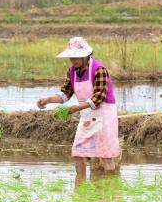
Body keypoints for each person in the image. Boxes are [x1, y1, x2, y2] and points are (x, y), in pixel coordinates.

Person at [36, 36, 120, 181]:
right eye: (71, 57)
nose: (73, 60)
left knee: (105, 154)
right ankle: (80, 192)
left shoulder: (99, 69)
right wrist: (48, 100)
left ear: (86, 55)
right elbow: (66, 93)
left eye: (76, 57)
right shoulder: (72, 71)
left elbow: (98, 98)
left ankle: (111, 188)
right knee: (78, 153)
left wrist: (75, 108)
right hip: (87, 115)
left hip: (104, 113)